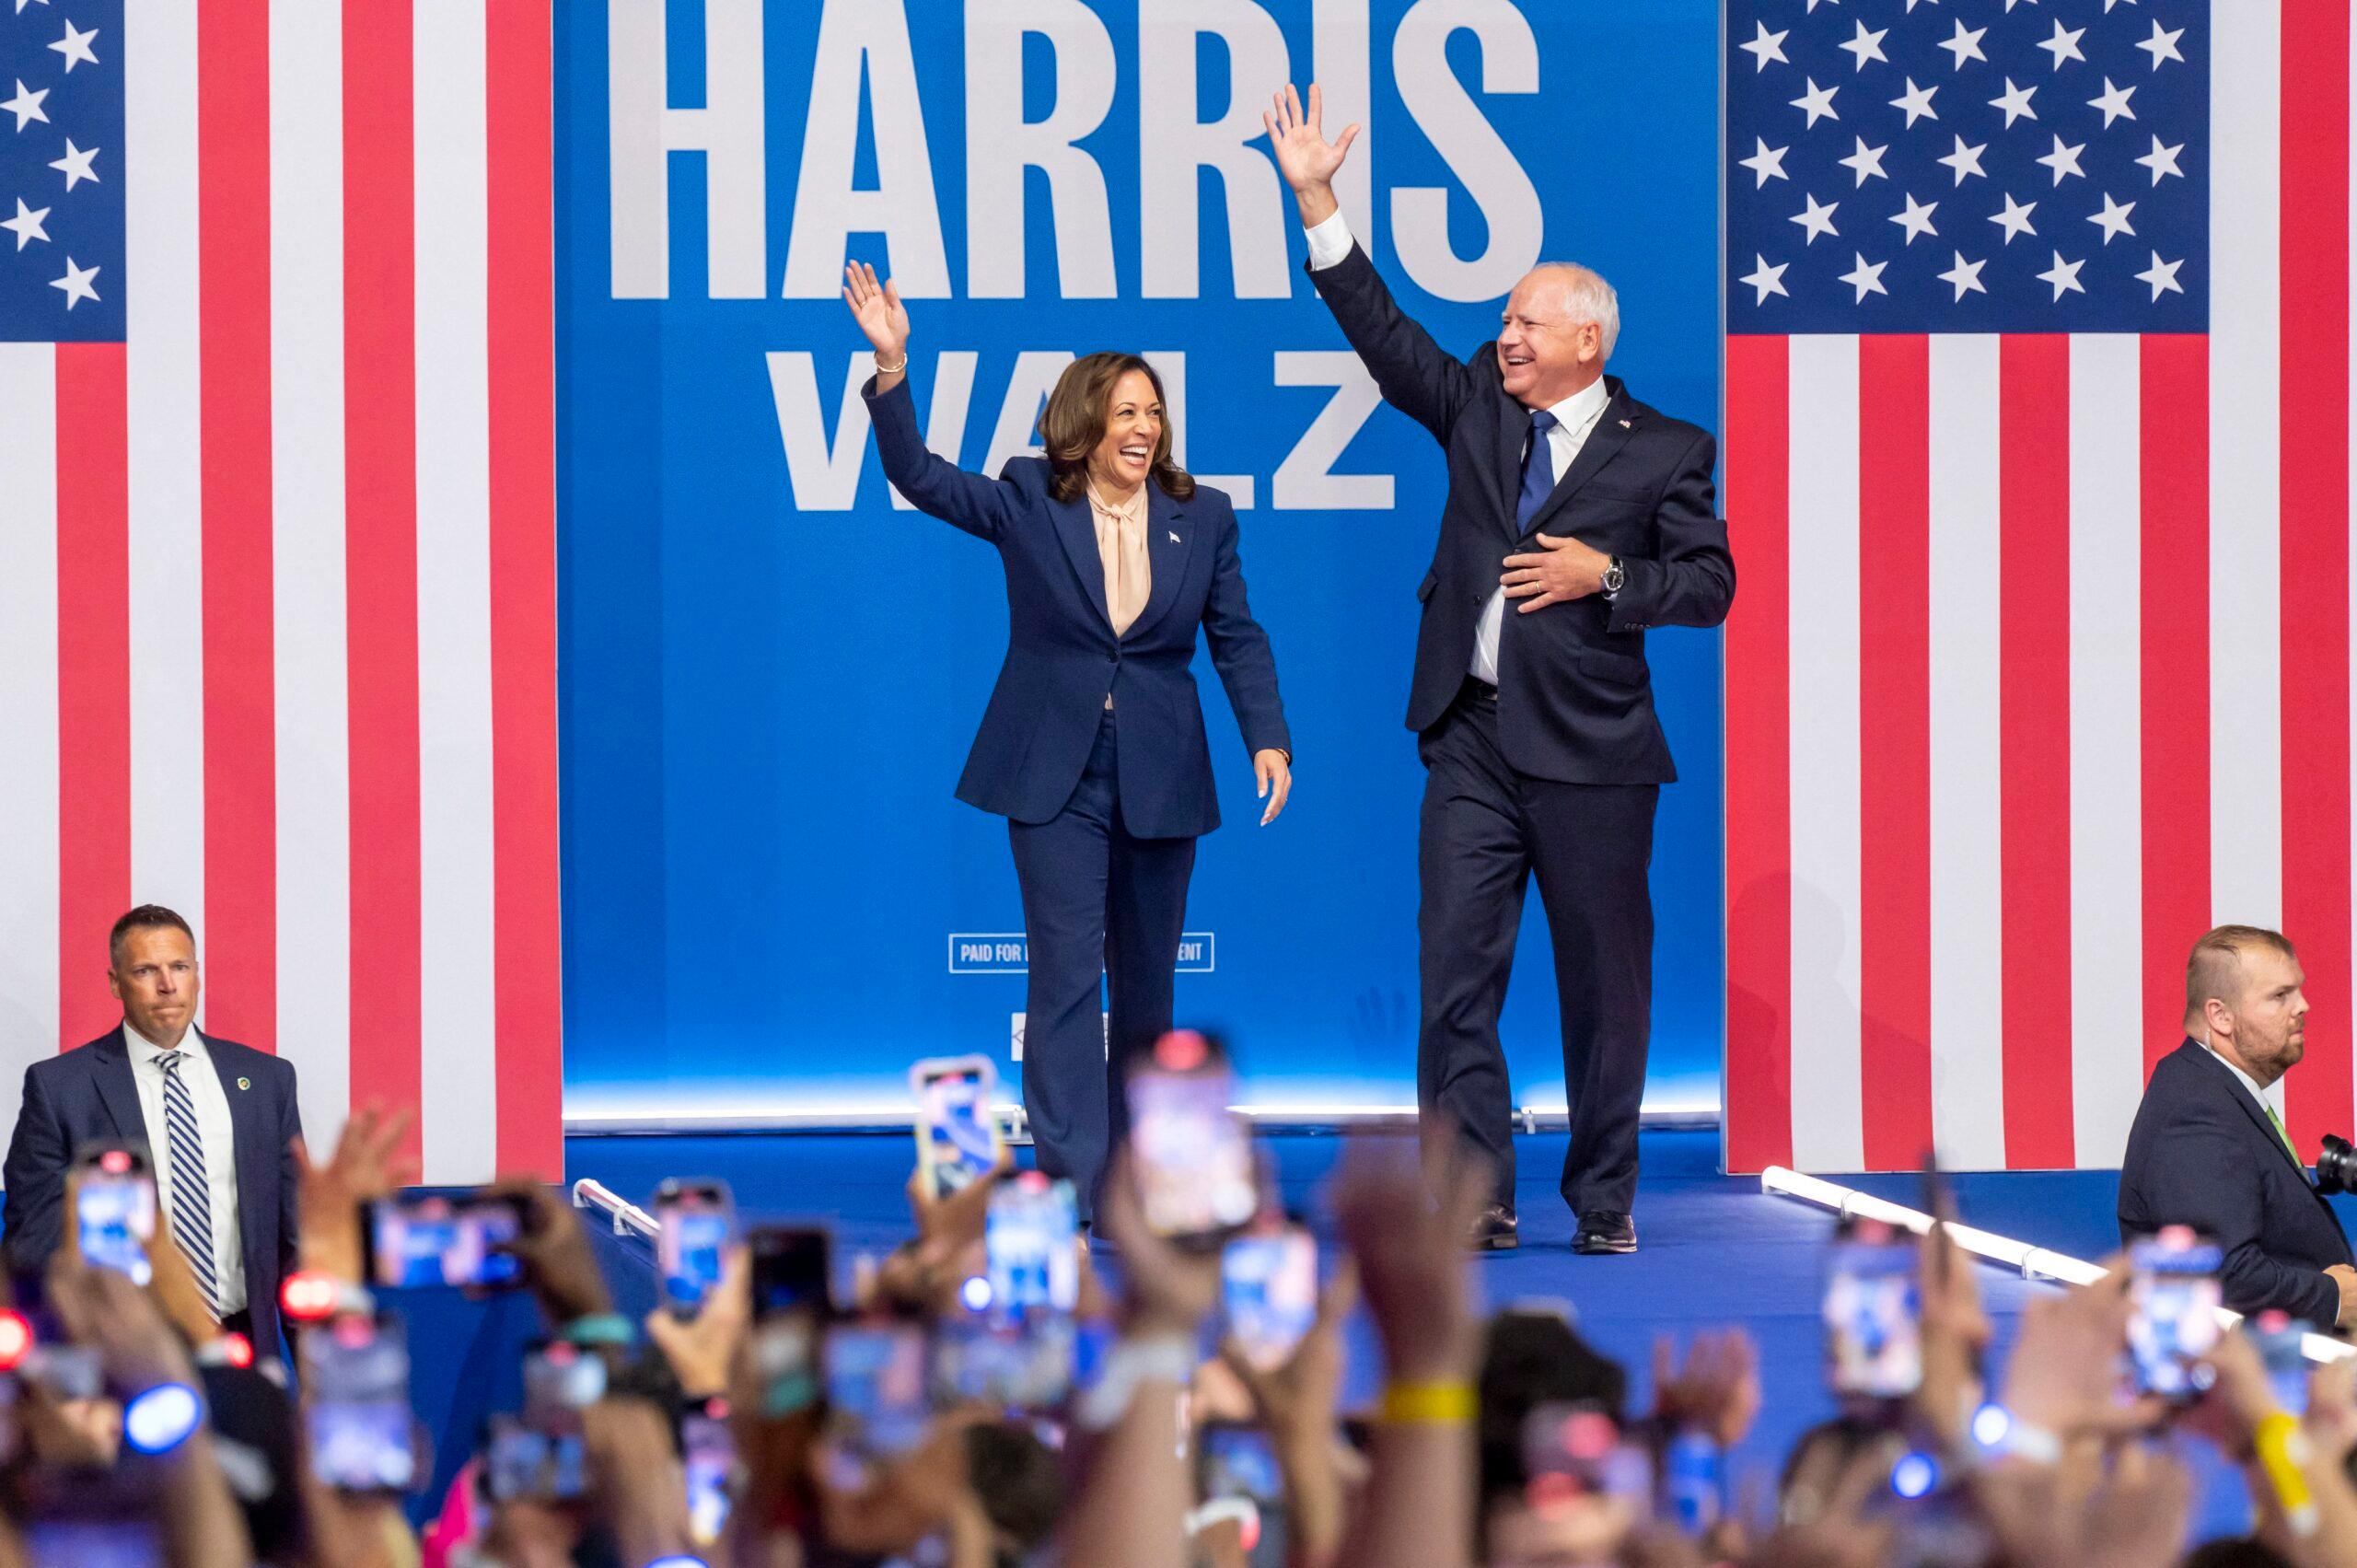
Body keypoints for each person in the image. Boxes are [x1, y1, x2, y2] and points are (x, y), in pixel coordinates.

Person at [1264, 86, 1735, 1254]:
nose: (1504, 334)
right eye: (1503, 320)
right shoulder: (1477, 405)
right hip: (1469, 737)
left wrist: (1606, 578)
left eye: (1527, 321)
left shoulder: (1669, 448)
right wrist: (1318, 197)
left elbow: (1710, 585)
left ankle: (1603, 1197)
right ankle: (1474, 1191)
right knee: (1454, 978)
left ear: (1587, 339)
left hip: (1592, 755)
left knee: (1602, 991)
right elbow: (1383, 330)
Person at [840, 262, 1294, 1224]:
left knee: (1149, 983)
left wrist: (1268, 736)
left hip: (1164, 772)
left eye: (1153, 412)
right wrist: (891, 367)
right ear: (1083, 420)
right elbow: (916, 476)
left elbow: (1236, 632)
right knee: (1061, 975)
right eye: (1124, 411)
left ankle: (1142, 1177)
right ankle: (1076, 1178)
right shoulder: (1025, 500)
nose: (1143, 428)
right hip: (1056, 773)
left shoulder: (1202, 516)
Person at [1, 904, 303, 1357]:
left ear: (197, 973)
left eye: (179, 967)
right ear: (115, 983)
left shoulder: (265, 1080)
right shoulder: (60, 1088)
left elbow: (292, 1237)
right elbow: (32, 1242)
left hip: (241, 1341)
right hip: (121, 1348)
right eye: (146, 970)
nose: (167, 985)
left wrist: (316, 1368)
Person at [2119, 924, 2357, 1331]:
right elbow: (2221, 1273)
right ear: (2221, 1015)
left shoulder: (2212, 1091)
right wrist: (2332, 1299)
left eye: (2297, 991)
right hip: (2261, 1383)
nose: (2303, 1006)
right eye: (2280, 996)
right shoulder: (2195, 1109)